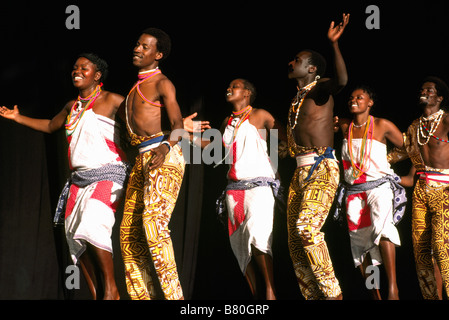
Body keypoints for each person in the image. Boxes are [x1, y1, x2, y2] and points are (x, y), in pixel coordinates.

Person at [0, 53, 128, 300]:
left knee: (92, 225)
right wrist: (17, 117)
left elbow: (138, 120)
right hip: (79, 181)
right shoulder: (72, 106)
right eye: (75, 67)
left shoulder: (113, 100)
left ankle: (111, 290)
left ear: (97, 75)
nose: (77, 71)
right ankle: (96, 294)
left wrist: (172, 133)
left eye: (84, 68)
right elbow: (50, 126)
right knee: (75, 238)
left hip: (108, 174)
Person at [187, 78, 285, 299]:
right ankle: (256, 296)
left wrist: (279, 157)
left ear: (247, 93)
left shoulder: (261, 115)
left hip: (258, 187)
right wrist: (188, 137)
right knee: (241, 247)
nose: (229, 88)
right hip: (234, 191)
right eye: (229, 86)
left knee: (259, 238)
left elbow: (286, 136)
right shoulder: (227, 121)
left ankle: (270, 291)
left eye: (235, 86)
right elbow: (218, 151)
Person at [119, 27, 187, 300]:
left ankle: (175, 298)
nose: (137, 49)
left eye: (145, 47)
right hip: (141, 160)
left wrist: (166, 145)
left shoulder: (162, 83)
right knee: (129, 235)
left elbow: (178, 126)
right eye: (137, 44)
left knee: (154, 226)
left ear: (158, 55)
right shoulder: (134, 89)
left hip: (164, 154)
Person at [286, 13, 349, 300]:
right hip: (299, 172)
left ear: (311, 68)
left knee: (307, 229)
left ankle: (333, 294)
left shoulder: (321, 89)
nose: (291, 62)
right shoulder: (297, 99)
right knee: (295, 242)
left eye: (297, 59)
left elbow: (342, 79)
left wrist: (334, 44)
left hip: (322, 167)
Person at [333, 85, 406, 300]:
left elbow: (408, 147)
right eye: (351, 97)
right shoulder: (345, 125)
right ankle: (375, 294)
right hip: (353, 192)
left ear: (370, 102)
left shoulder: (382, 125)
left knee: (383, 230)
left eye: (359, 97)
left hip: (378, 187)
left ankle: (393, 288)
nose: (353, 100)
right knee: (362, 247)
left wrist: (388, 163)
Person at [388, 76, 449, 299]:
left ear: (440, 97)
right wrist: (375, 163)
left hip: (445, 191)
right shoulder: (415, 127)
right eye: (422, 89)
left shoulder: (447, 120)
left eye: (430, 90)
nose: (424, 91)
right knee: (422, 252)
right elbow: (400, 152)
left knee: (443, 250)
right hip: (421, 191)